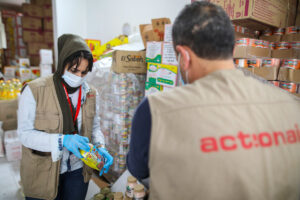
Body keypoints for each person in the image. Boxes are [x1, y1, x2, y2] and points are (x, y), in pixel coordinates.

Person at [127, 2, 300, 200]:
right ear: (232, 49)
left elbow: (139, 170)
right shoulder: (290, 106)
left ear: (184, 56)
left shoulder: (154, 111)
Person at [18, 34, 113, 200]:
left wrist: (101, 147)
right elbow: (25, 135)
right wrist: (62, 141)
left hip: (77, 171)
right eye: (74, 70)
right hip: (44, 170)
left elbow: (95, 126)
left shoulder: (89, 92)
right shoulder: (35, 91)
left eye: (84, 72)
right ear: (62, 63)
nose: (78, 77)